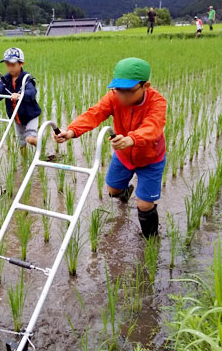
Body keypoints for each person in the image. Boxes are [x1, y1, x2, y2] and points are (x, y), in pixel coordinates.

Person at [54, 58, 167, 238]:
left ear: (145, 86)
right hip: (123, 155)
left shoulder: (157, 102)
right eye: (117, 89)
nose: (121, 96)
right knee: (113, 190)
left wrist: (132, 139)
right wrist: (72, 131)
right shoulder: (114, 97)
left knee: (145, 205)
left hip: (150, 158)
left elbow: (153, 127)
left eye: (128, 91)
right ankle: (126, 193)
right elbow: (94, 114)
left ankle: (151, 241)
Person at [0, 47, 41, 149]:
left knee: (30, 138)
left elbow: (31, 92)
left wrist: (20, 95)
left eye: (13, 65)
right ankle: (23, 162)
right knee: (21, 143)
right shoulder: (5, 79)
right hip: (16, 116)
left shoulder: (26, 78)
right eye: (7, 65)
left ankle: (41, 146)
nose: (10, 68)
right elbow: (0, 89)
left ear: (21, 63)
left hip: (30, 115)